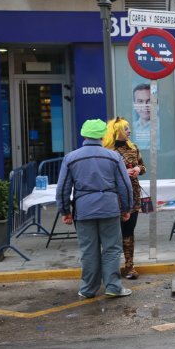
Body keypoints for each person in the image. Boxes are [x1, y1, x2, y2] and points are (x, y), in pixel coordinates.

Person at [56, 119, 133, 298]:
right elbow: (125, 185)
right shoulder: (113, 157)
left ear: (84, 135)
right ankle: (113, 287)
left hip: (84, 210)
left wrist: (65, 211)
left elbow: (63, 188)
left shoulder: (71, 158)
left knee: (88, 250)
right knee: (112, 249)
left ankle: (88, 289)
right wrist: (126, 208)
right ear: (102, 135)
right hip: (109, 208)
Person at [103, 117, 146, 280]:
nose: (129, 131)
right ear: (116, 131)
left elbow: (143, 167)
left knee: (129, 232)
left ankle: (129, 266)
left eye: (128, 128)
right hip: (113, 198)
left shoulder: (133, 148)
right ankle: (111, 268)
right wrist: (121, 173)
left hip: (133, 196)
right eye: (125, 128)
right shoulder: (107, 151)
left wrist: (137, 169)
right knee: (112, 235)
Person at [132, 83, 151, 149]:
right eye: (140, 101)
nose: (144, 106)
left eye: (149, 101)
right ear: (134, 104)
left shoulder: (162, 126)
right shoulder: (131, 127)